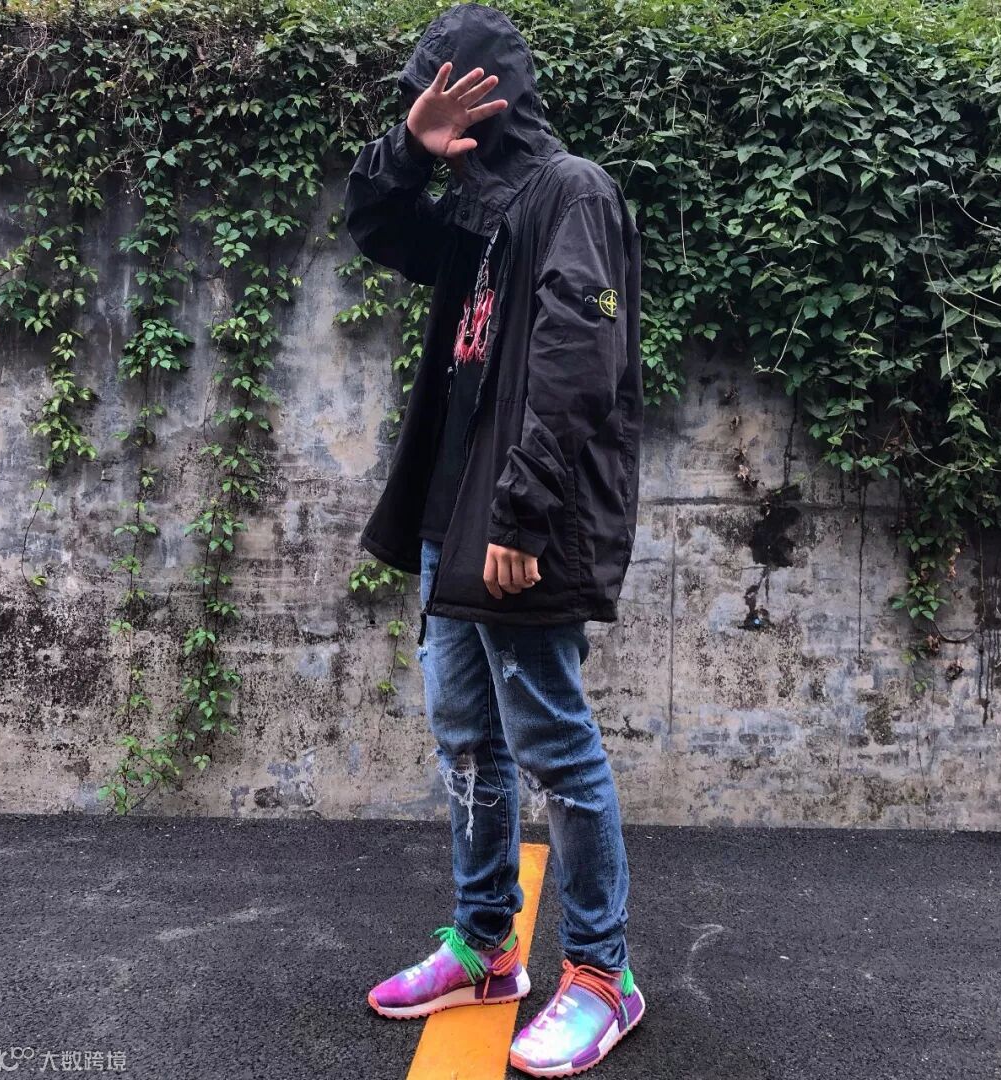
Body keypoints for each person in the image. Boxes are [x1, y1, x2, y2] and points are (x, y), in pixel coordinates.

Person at [343, 3, 644, 1075]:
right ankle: (485, 948)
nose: (430, 106)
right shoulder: (476, 216)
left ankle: (602, 976)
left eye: (443, 90)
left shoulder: (572, 194)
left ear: (492, 96)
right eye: (420, 97)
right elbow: (378, 228)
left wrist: (522, 512)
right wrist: (407, 151)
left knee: (555, 747)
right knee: (468, 743)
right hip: (452, 519)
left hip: (520, 524)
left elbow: (579, 360)